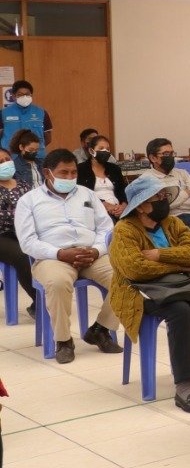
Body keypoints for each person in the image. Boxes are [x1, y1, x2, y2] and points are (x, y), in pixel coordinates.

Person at [107, 175, 190, 413]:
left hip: (179, 283)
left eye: (164, 196)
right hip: (140, 291)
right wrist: (181, 264)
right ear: (140, 206)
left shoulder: (173, 223)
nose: (164, 201)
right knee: (179, 311)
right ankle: (184, 385)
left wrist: (160, 255)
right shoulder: (124, 230)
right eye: (157, 197)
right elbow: (135, 269)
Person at [15, 149, 122, 364]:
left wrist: (96, 250)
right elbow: (28, 242)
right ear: (48, 173)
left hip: (91, 254)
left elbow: (106, 229)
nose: (70, 178)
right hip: (52, 257)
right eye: (64, 173)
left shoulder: (88, 194)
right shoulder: (29, 201)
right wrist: (60, 253)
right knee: (57, 283)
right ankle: (64, 341)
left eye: (73, 173)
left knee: (126, 276)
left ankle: (100, 329)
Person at [141, 138, 190, 241]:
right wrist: (187, 193)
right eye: (166, 154)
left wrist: (174, 200)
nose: (170, 157)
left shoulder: (182, 173)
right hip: (169, 221)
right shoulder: (147, 179)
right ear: (153, 158)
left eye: (172, 153)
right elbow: (162, 208)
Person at [0, 147, 36, 319]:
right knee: (22, 256)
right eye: (0, 162)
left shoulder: (25, 185)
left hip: (26, 232)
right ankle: (41, 301)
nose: (5, 164)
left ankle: (48, 297)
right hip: (3, 236)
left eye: (7, 159)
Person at [76, 134, 127, 221]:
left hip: (118, 209)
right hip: (94, 210)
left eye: (107, 149)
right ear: (91, 151)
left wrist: (123, 206)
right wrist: (105, 205)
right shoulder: (81, 169)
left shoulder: (114, 168)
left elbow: (123, 191)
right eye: (101, 148)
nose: (105, 151)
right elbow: (82, 194)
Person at [1, 80, 52, 161]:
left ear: (31, 95)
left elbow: (48, 138)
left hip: (37, 158)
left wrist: (32, 149)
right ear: (14, 96)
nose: (24, 97)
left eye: (27, 94)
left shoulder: (41, 113)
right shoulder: (3, 113)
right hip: (11, 158)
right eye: (20, 94)